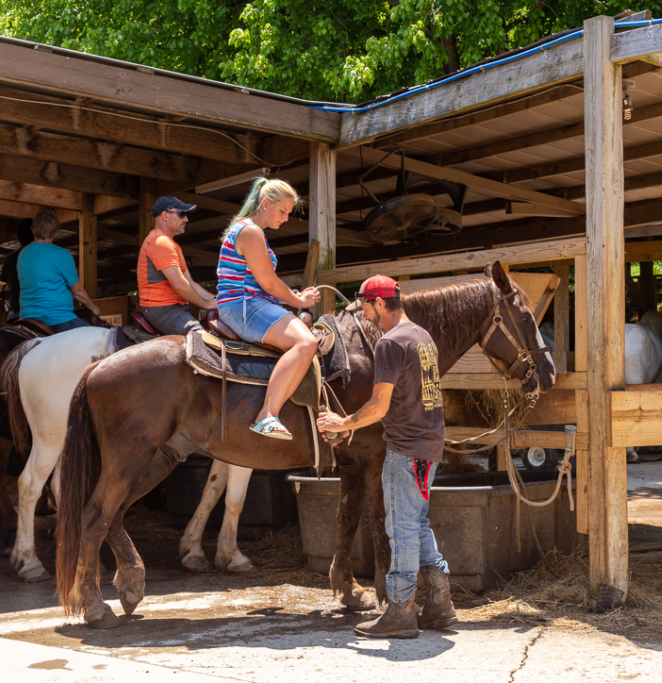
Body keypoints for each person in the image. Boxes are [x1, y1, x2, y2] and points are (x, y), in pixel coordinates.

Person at [317, 275, 457, 639]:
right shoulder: (422, 337)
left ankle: (400, 611)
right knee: (419, 522)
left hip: (406, 449)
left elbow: (378, 406)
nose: (364, 317)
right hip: (430, 445)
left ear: (380, 303)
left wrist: (343, 423)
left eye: (365, 307)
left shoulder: (390, 343)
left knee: (401, 529)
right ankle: (441, 604)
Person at [215, 178, 319, 440]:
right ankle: (267, 414)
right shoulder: (250, 232)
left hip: (248, 302)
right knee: (306, 343)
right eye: (282, 211)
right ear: (265, 203)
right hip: (243, 305)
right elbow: (269, 283)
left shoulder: (248, 231)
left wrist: (293, 296)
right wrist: (300, 302)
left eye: (288, 213)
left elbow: (262, 283)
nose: (285, 218)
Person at [138, 196, 216, 335]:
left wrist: (215, 301)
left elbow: (190, 283)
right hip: (163, 309)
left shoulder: (171, 244)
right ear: (165, 216)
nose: (186, 219)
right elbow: (179, 284)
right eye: (181, 214)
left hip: (172, 309)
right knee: (203, 341)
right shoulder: (160, 241)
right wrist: (206, 305)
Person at [17, 210, 100, 332]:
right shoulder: (62, 255)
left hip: (28, 318)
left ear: (33, 230)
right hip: (57, 319)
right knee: (97, 336)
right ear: (55, 233)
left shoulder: (23, 254)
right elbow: (78, 293)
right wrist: (93, 308)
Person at [1, 218, 34, 322]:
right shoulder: (43, 257)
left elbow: (9, 284)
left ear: (17, 238)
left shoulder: (9, 259)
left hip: (17, 311)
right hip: (38, 311)